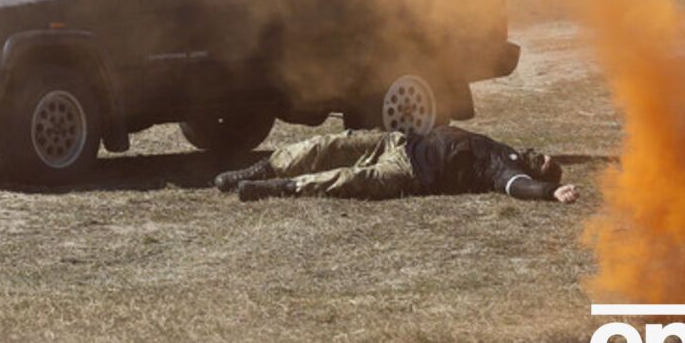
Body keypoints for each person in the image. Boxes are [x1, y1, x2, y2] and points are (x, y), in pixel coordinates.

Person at [214, 125, 578, 204]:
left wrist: (549, 192)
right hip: (399, 141)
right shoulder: (503, 146)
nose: (539, 155)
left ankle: (273, 189)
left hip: (408, 173)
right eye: (543, 154)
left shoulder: (506, 168)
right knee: (326, 144)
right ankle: (258, 171)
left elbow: (518, 188)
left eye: (543, 163)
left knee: (345, 179)